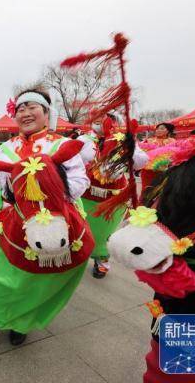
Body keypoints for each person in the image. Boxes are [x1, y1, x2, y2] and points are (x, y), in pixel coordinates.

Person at [0, 88, 91, 345]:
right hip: (7, 219)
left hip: (50, 219)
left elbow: (80, 181)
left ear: (47, 113)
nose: (25, 113)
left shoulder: (61, 145)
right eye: (20, 109)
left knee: (34, 281)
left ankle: (22, 323)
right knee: (0, 278)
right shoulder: (4, 148)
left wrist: (49, 189)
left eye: (32, 107)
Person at [77, 114, 148, 278]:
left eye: (104, 119)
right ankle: (78, 258)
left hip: (113, 197)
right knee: (82, 229)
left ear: (113, 123)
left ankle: (101, 261)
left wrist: (129, 147)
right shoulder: (84, 139)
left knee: (104, 233)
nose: (99, 121)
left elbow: (141, 161)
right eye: (96, 118)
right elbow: (71, 160)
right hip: (85, 195)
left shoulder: (123, 139)